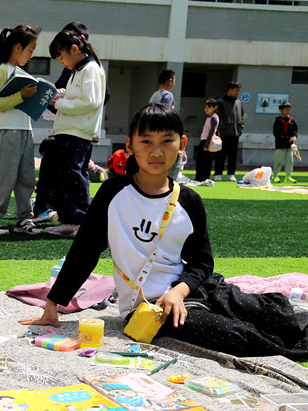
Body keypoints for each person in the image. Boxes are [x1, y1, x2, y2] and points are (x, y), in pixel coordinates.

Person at [20, 103, 308, 359]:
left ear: (181, 144)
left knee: (271, 311)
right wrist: (53, 303)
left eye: (166, 141)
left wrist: (181, 291)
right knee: (236, 336)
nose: (156, 151)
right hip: (152, 307)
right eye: (146, 141)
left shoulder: (189, 200)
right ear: (130, 145)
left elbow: (202, 262)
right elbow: (85, 250)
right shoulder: (113, 194)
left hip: (193, 289)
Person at [39, 29, 106, 236]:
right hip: (70, 131)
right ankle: (72, 219)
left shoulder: (90, 69)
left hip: (76, 133)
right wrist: (65, 95)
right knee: (68, 176)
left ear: (74, 49)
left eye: (61, 57)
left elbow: (90, 101)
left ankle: (79, 220)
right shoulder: (81, 70)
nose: (62, 63)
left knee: (73, 176)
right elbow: (82, 98)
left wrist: (60, 102)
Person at [0, 24, 45, 236]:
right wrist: (21, 96)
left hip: (25, 130)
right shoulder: (3, 70)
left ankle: (24, 219)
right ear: (17, 47)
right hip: (8, 131)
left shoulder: (19, 71)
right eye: (30, 50)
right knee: (4, 177)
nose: (32, 55)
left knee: (26, 177)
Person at [215, 81, 244, 182]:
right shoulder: (221, 102)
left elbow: (242, 115)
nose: (237, 93)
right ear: (230, 90)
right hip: (224, 133)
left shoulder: (238, 102)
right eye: (236, 91)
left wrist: (241, 126)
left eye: (238, 91)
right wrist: (221, 128)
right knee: (221, 154)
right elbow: (218, 117)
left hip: (235, 132)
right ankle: (218, 173)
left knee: (233, 155)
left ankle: (231, 174)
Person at [272, 101, 298, 184]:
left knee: (290, 160)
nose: (288, 111)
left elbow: (295, 130)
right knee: (278, 160)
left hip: (290, 145)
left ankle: (288, 176)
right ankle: (275, 175)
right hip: (280, 145)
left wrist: (295, 137)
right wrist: (286, 139)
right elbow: (276, 133)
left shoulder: (292, 120)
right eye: (286, 110)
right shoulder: (278, 121)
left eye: (289, 110)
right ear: (281, 110)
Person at [194, 98, 220, 184]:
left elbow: (212, 132)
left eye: (209, 107)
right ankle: (200, 177)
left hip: (206, 141)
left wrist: (206, 144)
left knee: (204, 160)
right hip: (204, 140)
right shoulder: (210, 117)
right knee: (201, 160)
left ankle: (203, 178)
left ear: (215, 107)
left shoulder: (214, 118)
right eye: (205, 107)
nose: (206, 109)